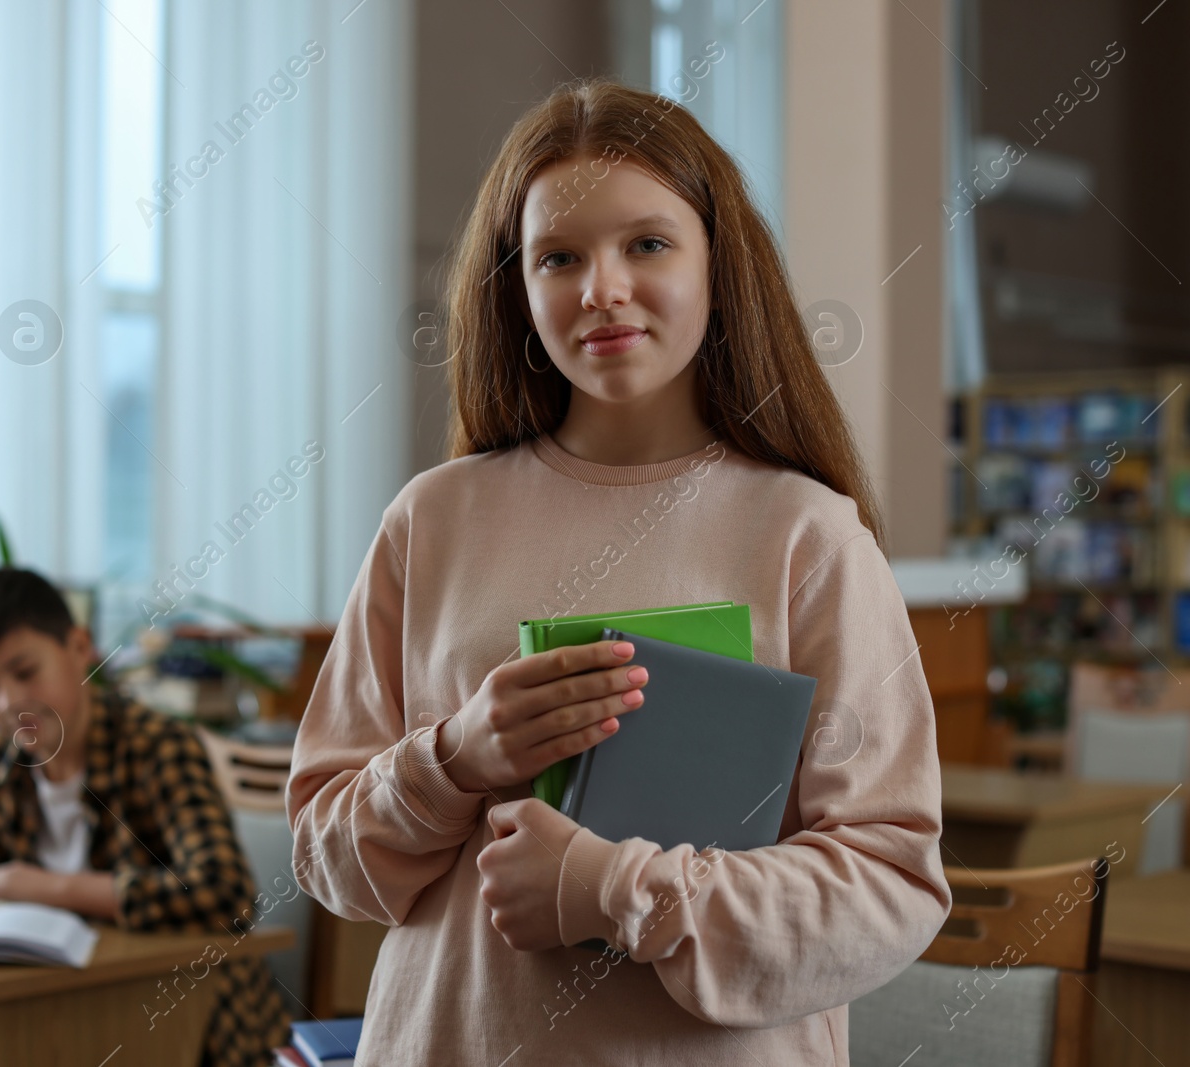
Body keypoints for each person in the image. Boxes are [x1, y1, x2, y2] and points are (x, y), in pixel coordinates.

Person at [286, 79, 950, 1064]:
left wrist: (618, 890)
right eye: (558, 255)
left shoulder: (808, 534)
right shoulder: (432, 516)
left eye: (646, 242)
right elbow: (323, 856)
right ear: (516, 285)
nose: (599, 287)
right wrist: (457, 755)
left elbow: (890, 885)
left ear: (717, 265)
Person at [0, 567, 288, 1067]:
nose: (8, 703)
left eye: (25, 673)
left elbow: (225, 894)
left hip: (195, 1028)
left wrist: (42, 886)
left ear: (79, 647)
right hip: (60, 1017)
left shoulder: (159, 746)